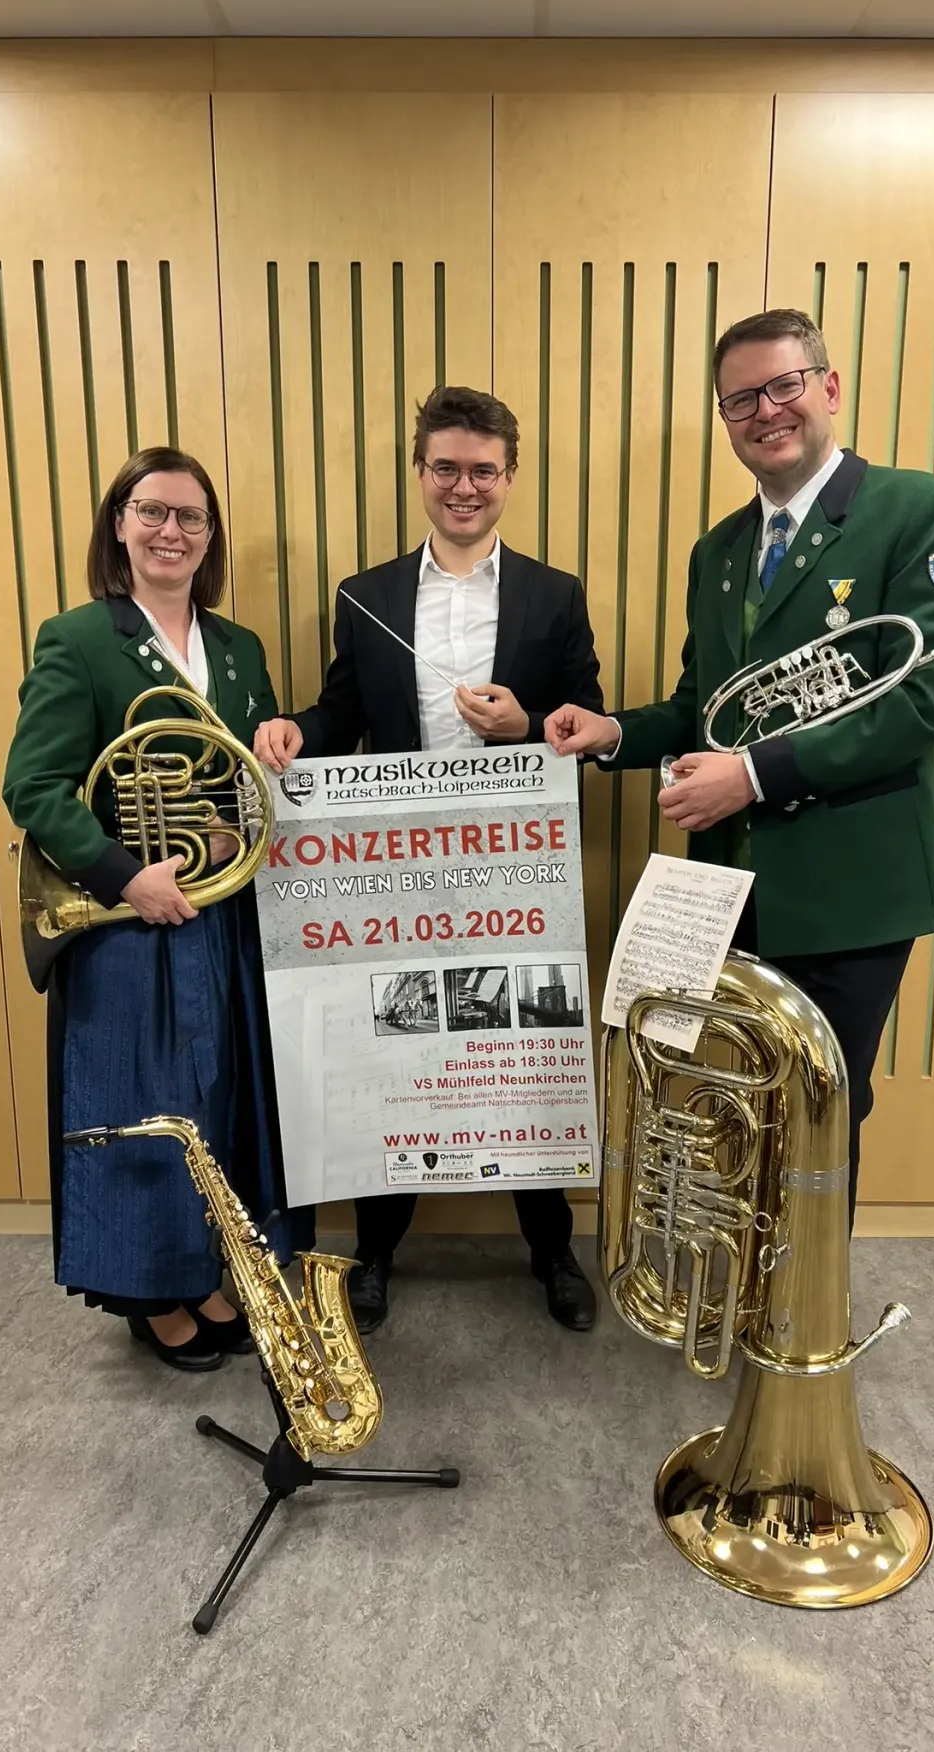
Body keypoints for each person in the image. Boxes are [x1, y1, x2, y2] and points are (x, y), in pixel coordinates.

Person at [546, 309, 934, 1222]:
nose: (765, 411)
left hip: (853, 884)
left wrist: (748, 777)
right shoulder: (719, 550)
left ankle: (807, 1306)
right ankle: (748, 1285)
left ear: (829, 387)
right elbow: (703, 707)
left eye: (785, 386)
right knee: (741, 1107)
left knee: (823, 1112)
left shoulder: (916, 509)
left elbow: (921, 703)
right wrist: (611, 732)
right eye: (740, 399)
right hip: (734, 884)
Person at [258, 386, 604, 1334]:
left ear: (510, 476)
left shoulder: (555, 594)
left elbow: (585, 720)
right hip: (398, 875)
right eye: (445, 467)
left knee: (526, 1051)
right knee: (394, 1046)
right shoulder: (363, 596)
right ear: (419, 472)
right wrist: (297, 728)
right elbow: (343, 714)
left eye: (483, 470)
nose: (464, 486)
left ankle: (551, 1248)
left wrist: (527, 723)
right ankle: (375, 1251)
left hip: (518, 871)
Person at [3, 446, 313, 1370]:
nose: (170, 531)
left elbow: (240, 780)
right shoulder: (78, 638)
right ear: (120, 524)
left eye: (190, 517)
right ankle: (154, 1296)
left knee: (219, 1099)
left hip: (223, 911)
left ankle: (212, 1269)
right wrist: (122, 873)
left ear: (210, 536)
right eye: (152, 512)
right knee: (145, 1110)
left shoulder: (240, 648)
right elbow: (34, 785)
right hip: (130, 920)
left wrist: (272, 749)